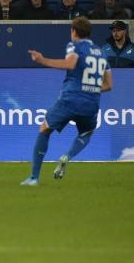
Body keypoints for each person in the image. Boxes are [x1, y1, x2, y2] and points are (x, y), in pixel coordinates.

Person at [21, 17, 112, 186]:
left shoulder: (75, 45)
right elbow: (108, 85)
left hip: (71, 98)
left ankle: (34, 178)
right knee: (86, 133)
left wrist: (42, 60)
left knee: (45, 129)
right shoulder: (102, 53)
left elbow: (70, 64)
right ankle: (67, 156)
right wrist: (89, 88)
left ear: (74, 31)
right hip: (91, 103)